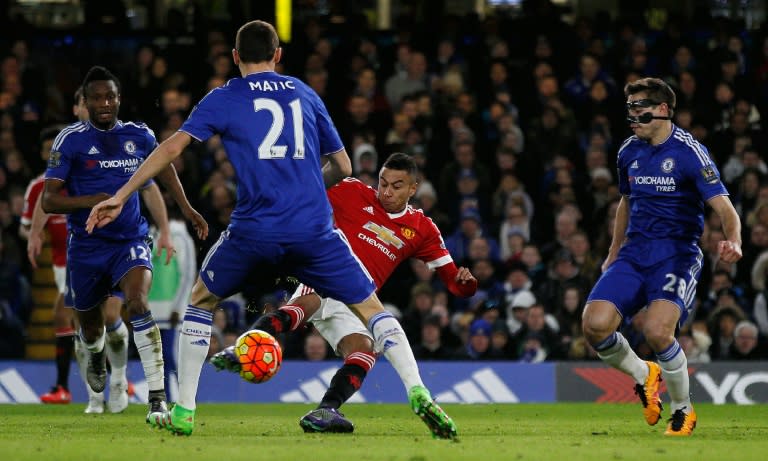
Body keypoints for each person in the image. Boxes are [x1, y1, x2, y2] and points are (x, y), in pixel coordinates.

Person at [85, 21, 442, 439]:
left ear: (235, 57)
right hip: (313, 230)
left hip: (255, 230)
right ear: (278, 56)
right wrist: (305, 188)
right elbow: (344, 167)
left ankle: (183, 410)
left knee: (201, 299)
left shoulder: (224, 97)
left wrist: (123, 193)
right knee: (372, 309)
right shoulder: (305, 93)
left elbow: (172, 148)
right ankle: (419, 391)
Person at [211, 153, 477, 437]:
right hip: (326, 272)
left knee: (365, 349)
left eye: (396, 186)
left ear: (413, 189)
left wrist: (466, 284)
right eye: (382, 183)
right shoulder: (351, 190)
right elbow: (306, 187)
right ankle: (243, 348)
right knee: (304, 304)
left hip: (358, 301)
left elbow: (455, 284)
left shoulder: (423, 229)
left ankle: (326, 409)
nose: (386, 192)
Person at [41, 66, 207, 425]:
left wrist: (187, 208)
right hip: (85, 246)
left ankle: (157, 398)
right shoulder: (68, 140)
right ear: (84, 102)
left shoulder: (139, 135)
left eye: (111, 97)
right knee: (89, 328)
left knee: (137, 302)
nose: (105, 103)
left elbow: (165, 171)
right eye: (97, 98)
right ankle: (96, 355)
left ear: (119, 99)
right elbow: (49, 202)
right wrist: (94, 200)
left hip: (129, 240)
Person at [581, 77, 742, 437]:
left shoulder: (689, 152)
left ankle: (683, 410)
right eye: (631, 107)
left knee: (657, 331)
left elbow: (724, 208)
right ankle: (644, 375)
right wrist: (613, 251)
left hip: (676, 256)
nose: (633, 114)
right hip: (634, 253)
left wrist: (735, 241)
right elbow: (626, 201)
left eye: (641, 107)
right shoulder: (627, 152)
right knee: (594, 325)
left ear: (664, 110)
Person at [25, 90, 133, 414]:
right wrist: (33, 231)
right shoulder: (69, 146)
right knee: (82, 322)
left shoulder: (120, 141)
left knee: (109, 316)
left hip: (115, 244)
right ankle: (93, 394)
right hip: (79, 251)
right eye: (87, 103)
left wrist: (163, 228)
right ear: (76, 108)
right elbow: (50, 191)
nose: (96, 107)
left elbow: (145, 184)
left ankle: (119, 380)